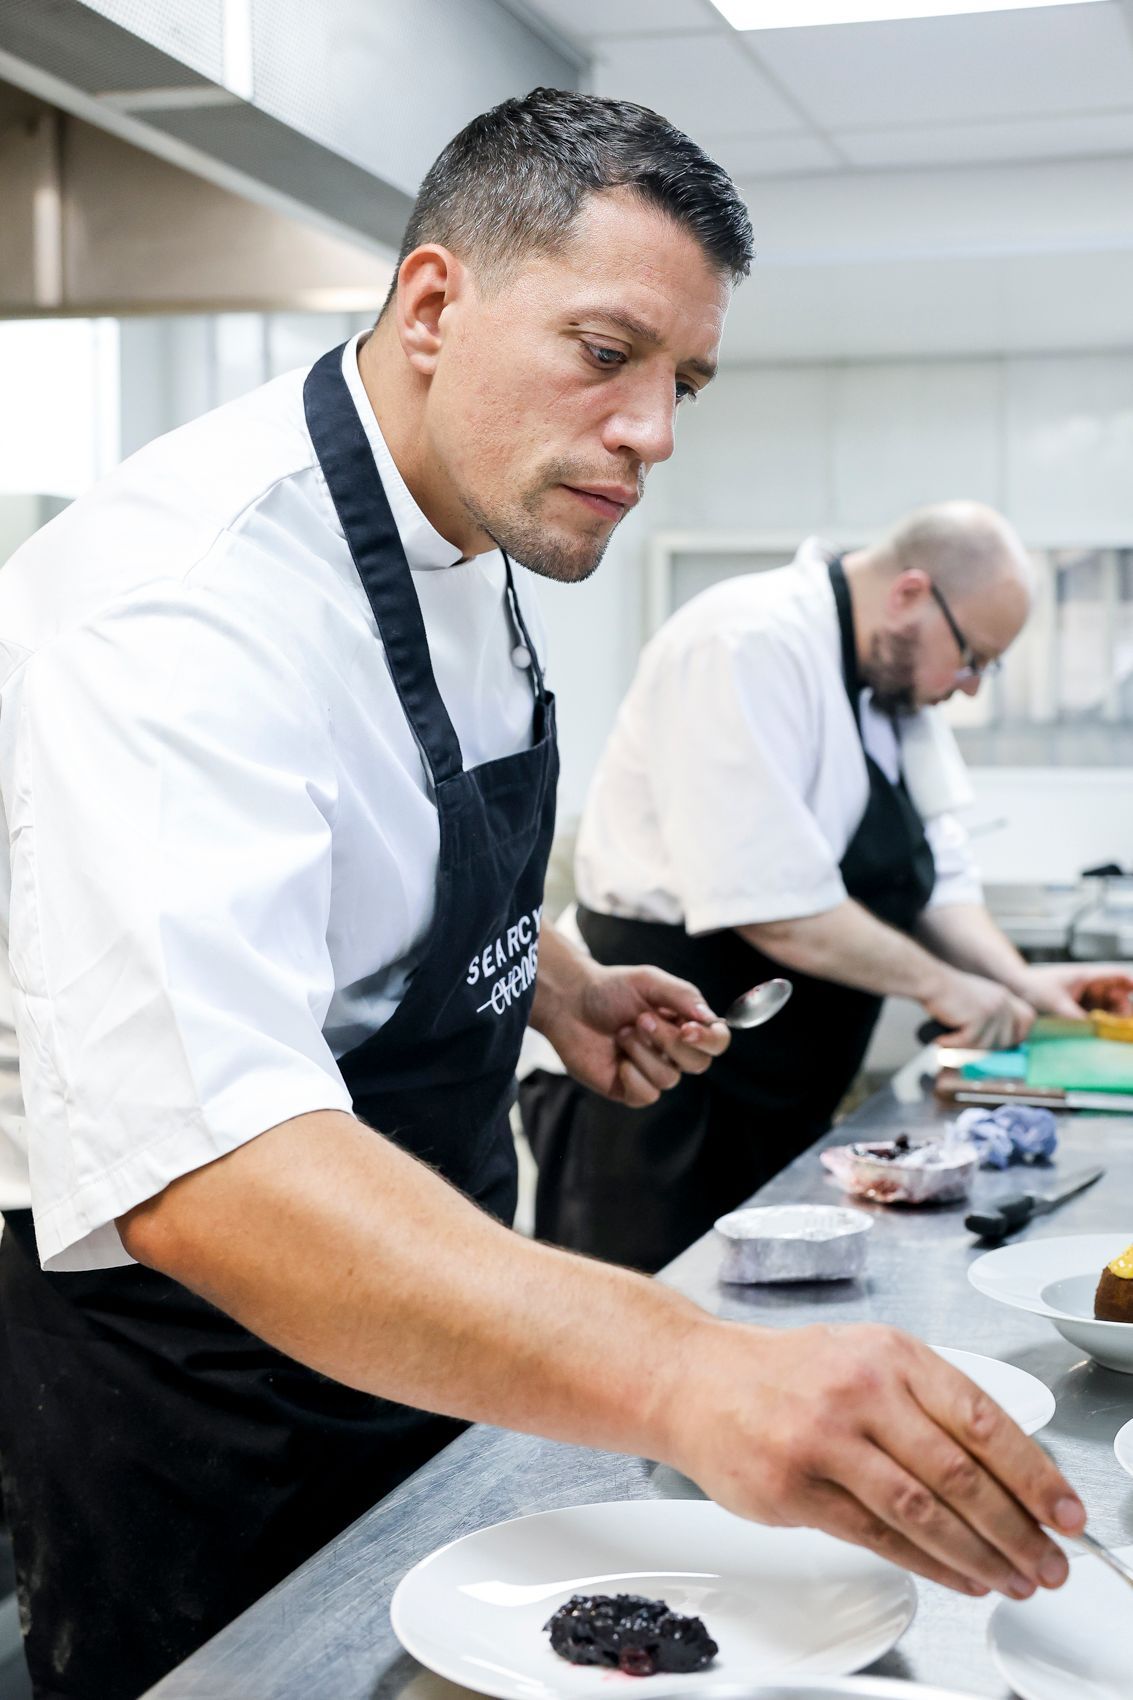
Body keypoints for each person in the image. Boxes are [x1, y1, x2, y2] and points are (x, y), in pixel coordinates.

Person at [0, 93, 1083, 1700]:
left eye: (682, 382)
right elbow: (204, 1165)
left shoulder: (467, 529)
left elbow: (380, 839)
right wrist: (692, 1374)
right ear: (434, 306)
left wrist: (556, 981)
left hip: (425, 1298)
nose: (654, 432)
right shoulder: (183, 603)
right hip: (202, 1376)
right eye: (606, 353)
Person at [524, 506, 1130, 1271]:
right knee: (637, 1321)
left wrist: (1019, 983)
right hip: (656, 1083)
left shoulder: (893, 685)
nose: (970, 686)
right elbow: (772, 907)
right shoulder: (743, 640)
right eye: (972, 657)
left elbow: (935, 875)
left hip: (779, 1092)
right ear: (910, 594)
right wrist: (947, 988)